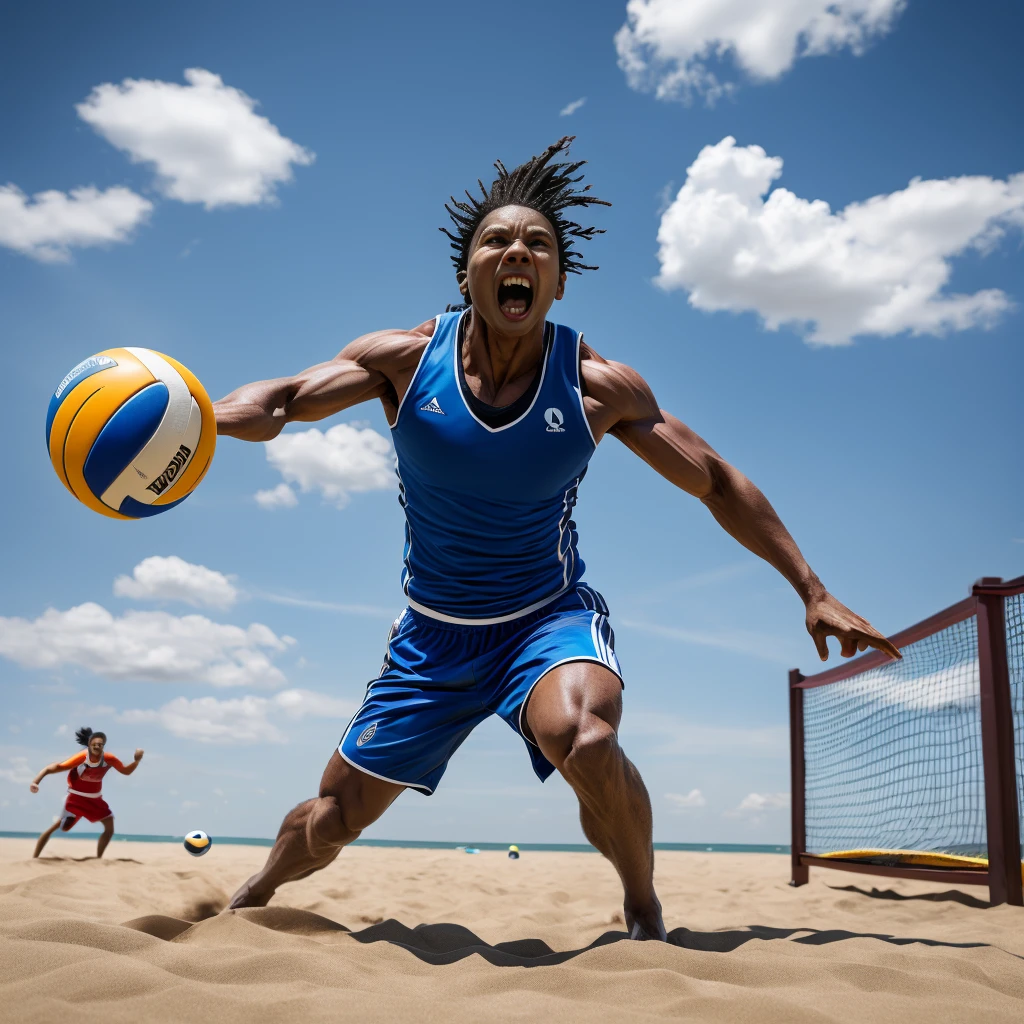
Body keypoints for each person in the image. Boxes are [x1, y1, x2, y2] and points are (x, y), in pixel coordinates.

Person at [214, 138, 900, 939]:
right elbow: (287, 399)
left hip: (546, 620)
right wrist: (195, 414)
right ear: (468, 272)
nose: (517, 251)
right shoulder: (404, 360)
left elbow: (712, 477)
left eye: (537, 244)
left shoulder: (594, 385)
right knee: (331, 817)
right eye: (497, 241)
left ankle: (641, 902)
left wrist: (810, 588)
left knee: (585, 737)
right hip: (432, 637)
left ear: (557, 281)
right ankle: (252, 896)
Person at [30, 726, 144, 858]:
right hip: (76, 799)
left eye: (100, 745)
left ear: (103, 746)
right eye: (94, 744)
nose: (97, 747)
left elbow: (126, 771)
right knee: (59, 827)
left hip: (95, 799)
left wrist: (136, 761)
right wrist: (36, 781)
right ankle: (35, 858)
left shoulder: (109, 759)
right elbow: (56, 767)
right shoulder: (82, 757)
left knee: (109, 826)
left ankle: (98, 859)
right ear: (89, 745)